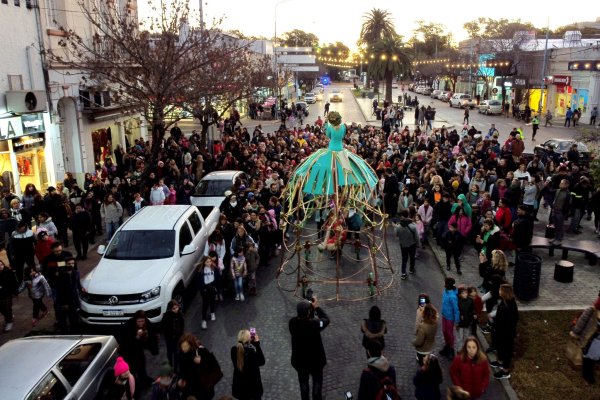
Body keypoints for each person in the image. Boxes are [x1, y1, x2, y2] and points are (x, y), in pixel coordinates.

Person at [289, 298, 330, 400]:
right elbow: (326, 319)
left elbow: (303, 320)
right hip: (315, 362)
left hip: (300, 362)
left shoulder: (292, 323)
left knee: (303, 386)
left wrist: (309, 311)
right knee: (317, 384)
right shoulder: (314, 324)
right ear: (308, 312)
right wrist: (316, 308)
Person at [120, 310, 159, 387]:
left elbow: (153, 334)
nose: (141, 323)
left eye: (142, 321)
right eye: (139, 321)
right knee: (132, 369)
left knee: (141, 364)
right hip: (127, 351)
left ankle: (144, 380)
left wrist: (149, 339)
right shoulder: (128, 326)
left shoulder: (147, 322)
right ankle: (133, 385)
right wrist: (137, 337)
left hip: (138, 349)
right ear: (135, 320)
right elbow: (127, 342)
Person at [178, 334, 221, 399]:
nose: (183, 348)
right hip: (190, 388)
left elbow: (212, 364)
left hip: (203, 388)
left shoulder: (201, 351)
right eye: (182, 346)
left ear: (190, 345)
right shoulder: (182, 354)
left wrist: (202, 361)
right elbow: (182, 369)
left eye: (185, 346)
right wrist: (181, 378)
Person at [489, 284, 519, 380]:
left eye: (500, 290)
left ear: (504, 292)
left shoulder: (510, 306)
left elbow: (511, 321)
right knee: (500, 348)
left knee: (507, 352)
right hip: (501, 332)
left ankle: (505, 371)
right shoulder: (505, 302)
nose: (499, 291)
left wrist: (501, 330)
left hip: (506, 334)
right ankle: (500, 362)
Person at [570, 293, 600, 383]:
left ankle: (594, 365)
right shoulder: (592, 311)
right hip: (592, 339)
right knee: (590, 356)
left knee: (596, 356)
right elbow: (582, 322)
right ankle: (587, 374)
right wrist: (575, 332)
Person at [231, 329, 266, 400]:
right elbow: (262, 361)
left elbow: (244, 351)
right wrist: (257, 344)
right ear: (248, 339)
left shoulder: (234, 350)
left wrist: (250, 343)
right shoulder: (252, 353)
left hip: (241, 388)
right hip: (253, 388)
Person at [395, 210, 420, 280]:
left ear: (402, 217)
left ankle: (403, 273)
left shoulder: (398, 227)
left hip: (403, 245)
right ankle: (411, 269)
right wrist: (418, 245)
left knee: (404, 259)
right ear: (408, 216)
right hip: (412, 245)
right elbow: (417, 237)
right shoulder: (413, 226)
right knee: (412, 258)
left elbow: (396, 235)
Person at [161, 300, 185, 371]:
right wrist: (167, 336)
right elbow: (164, 327)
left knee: (177, 353)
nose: (175, 310)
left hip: (178, 338)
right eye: (173, 308)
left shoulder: (180, 315)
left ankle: (176, 368)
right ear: (170, 309)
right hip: (169, 338)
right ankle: (171, 366)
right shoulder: (166, 316)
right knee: (170, 353)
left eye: (176, 307)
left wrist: (181, 336)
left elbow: (182, 326)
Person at [197, 255, 220, 328]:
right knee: (205, 304)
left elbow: (217, 278)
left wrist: (217, 288)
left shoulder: (214, 268)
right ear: (204, 262)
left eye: (210, 261)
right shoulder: (201, 270)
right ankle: (204, 320)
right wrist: (202, 289)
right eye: (207, 262)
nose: (209, 263)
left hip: (212, 287)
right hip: (205, 288)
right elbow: (199, 282)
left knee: (212, 301)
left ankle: (212, 312)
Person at [440, 277, 459, 359]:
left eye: (445, 282)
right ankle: (447, 345)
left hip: (450, 318)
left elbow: (456, 309)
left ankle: (451, 349)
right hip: (444, 315)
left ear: (447, 284)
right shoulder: (445, 291)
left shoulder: (453, 296)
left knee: (449, 333)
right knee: (444, 331)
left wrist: (457, 320)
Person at [550, 179, 571, 246]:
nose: (560, 184)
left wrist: (565, 213)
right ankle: (555, 238)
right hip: (554, 210)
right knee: (555, 225)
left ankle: (559, 239)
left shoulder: (568, 194)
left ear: (567, 185)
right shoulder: (558, 190)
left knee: (560, 226)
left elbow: (568, 205)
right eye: (560, 183)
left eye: (562, 183)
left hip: (561, 212)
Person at [0, 259, 17, 332]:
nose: (0, 267)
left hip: (7, 293)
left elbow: (14, 283)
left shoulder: (8, 272)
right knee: (1, 309)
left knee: (7, 308)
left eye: (1, 265)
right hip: (0, 294)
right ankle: (9, 316)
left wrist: (15, 292)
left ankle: (9, 321)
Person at [456, 286, 474, 352]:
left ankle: (465, 348)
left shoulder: (470, 300)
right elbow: (457, 311)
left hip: (467, 321)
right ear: (460, 295)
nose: (465, 294)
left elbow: (472, 310)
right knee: (460, 337)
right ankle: (459, 349)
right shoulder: (458, 301)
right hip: (460, 323)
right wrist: (459, 317)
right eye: (463, 293)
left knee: (466, 336)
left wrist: (471, 318)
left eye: (466, 293)